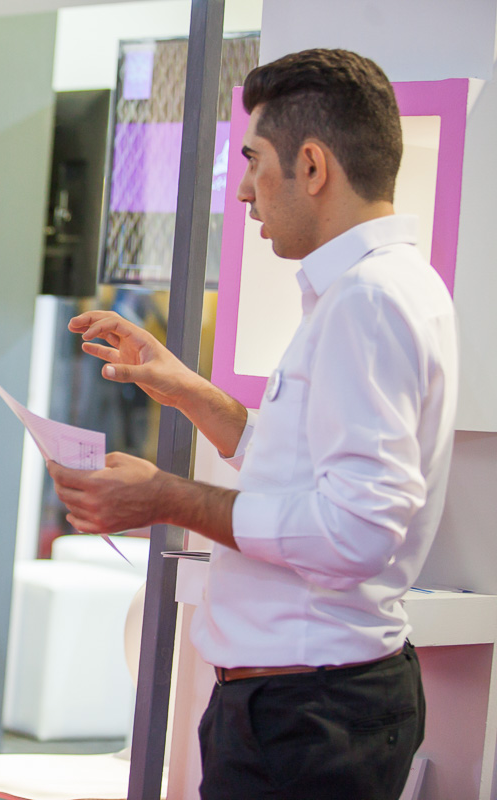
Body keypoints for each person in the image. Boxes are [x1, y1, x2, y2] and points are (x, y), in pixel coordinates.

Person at [47, 49, 456, 800]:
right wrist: (187, 391)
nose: (241, 189)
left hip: (311, 716)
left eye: (253, 160)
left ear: (312, 166)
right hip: (307, 705)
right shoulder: (381, 288)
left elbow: (355, 532)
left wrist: (167, 497)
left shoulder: (369, 300)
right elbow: (304, 469)